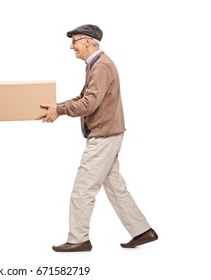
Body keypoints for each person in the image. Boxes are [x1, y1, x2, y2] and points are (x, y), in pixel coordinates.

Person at [39, 24, 158, 252]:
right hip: (109, 133)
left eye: (74, 41)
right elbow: (85, 97)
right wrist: (58, 107)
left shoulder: (101, 66)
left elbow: (89, 104)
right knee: (115, 187)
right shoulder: (95, 65)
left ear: (88, 41)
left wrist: (60, 110)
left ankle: (78, 239)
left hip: (103, 136)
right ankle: (142, 231)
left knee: (82, 189)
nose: (71, 46)